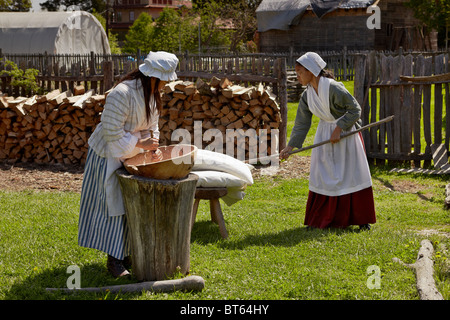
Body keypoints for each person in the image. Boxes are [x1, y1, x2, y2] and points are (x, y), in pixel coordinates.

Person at [78, 51, 179, 277]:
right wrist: (140, 144)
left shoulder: (151, 93)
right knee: (113, 206)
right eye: (164, 80)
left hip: (132, 152)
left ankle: (128, 254)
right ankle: (115, 261)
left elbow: (151, 124)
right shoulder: (121, 93)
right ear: (153, 76)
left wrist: (152, 143)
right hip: (107, 155)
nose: (165, 85)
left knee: (130, 204)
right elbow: (111, 132)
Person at [280, 52, 376, 230]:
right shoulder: (307, 96)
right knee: (323, 174)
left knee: (349, 174)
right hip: (325, 134)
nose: (298, 76)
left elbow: (355, 109)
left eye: (300, 72)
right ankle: (322, 218)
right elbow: (301, 123)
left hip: (346, 136)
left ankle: (362, 220)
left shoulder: (333, 88)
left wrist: (339, 128)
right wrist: (290, 146)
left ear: (311, 71)